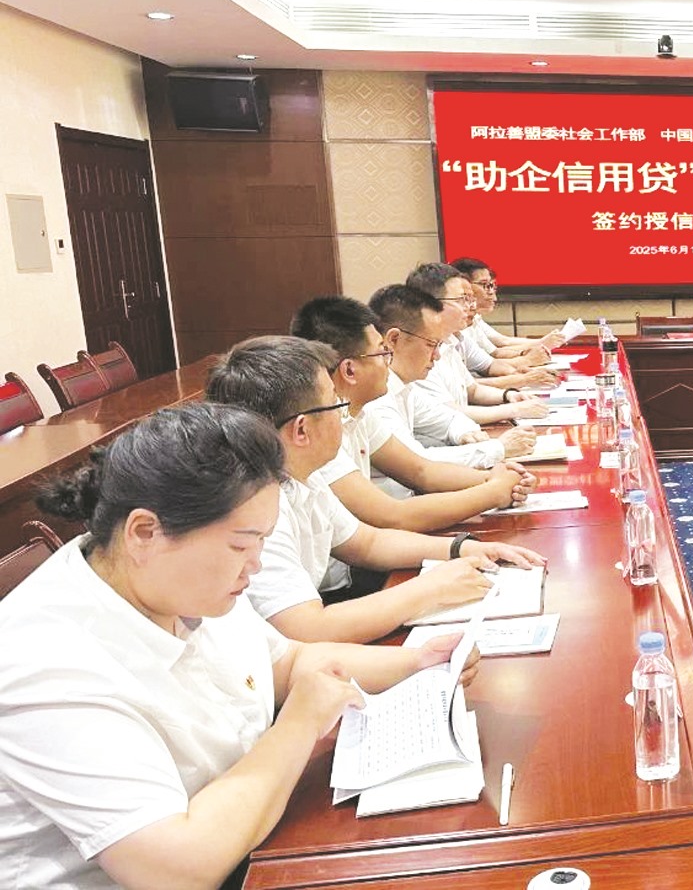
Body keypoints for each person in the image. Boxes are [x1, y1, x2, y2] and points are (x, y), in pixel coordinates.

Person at [0, 402, 481, 889]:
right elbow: (176, 870)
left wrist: (417, 661)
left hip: (250, 834)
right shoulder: (46, 662)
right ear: (145, 533)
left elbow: (288, 662)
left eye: (263, 542)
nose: (255, 565)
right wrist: (299, 723)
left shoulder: (171, 582)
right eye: (240, 545)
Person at [205, 335, 545, 643]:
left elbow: (368, 543)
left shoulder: (302, 475)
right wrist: (429, 589)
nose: (344, 414)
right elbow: (309, 629)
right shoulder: (256, 509)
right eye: (335, 404)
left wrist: (461, 548)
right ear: (302, 430)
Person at [290, 295, 539, 530]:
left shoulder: (359, 413)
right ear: (349, 370)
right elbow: (392, 516)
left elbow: (422, 470)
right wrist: (493, 491)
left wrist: (495, 478)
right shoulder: (316, 433)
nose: (388, 360)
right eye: (383, 352)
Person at [364, 283, 537, 474]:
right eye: (431, 344)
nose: (437, 355)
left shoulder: (402, 385)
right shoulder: (374, 395)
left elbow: (447, 418)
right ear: (393, 340)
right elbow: (418, 464)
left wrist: (466, 433)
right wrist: (498, 448)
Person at [405, 264, 556, 420]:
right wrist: (515, 409)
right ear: (431, 305)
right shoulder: (418, 352)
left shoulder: (449, 341)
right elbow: (447, 413)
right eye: (462, 300)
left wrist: (508, 395)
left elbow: (473, 390)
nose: (470, 306)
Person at [450, 256, 567, 364]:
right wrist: (533, 353)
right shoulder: (456, 325)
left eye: (492, 286)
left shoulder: (473, 320)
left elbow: (495, 352)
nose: (491, 292)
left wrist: (533, 352)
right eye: (484, 285)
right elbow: (491, 362)